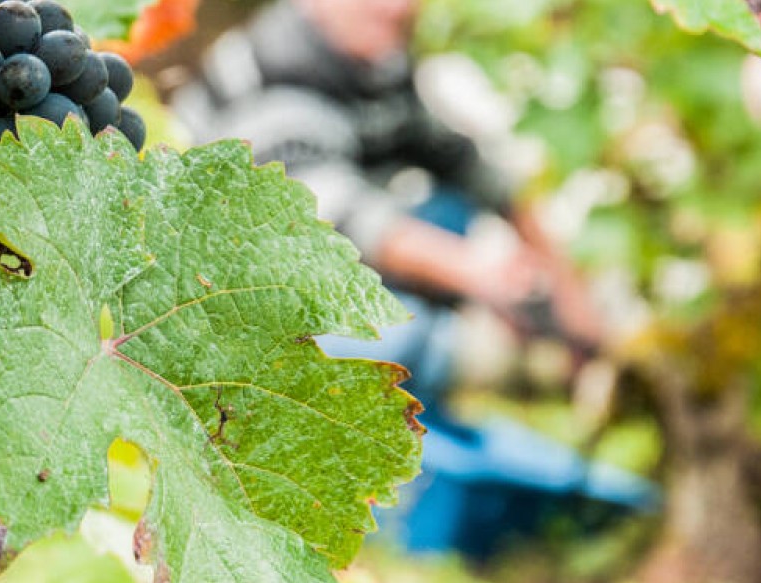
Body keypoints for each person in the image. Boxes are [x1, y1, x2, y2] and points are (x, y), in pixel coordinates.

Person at [170, 0, 646, 559]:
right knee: (402, 339)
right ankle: (379, 480)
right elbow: (340, 221)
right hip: (236, 314)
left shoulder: (375, 62)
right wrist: (484, 279)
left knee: (444, 213)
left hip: (322, 273)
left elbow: (472, 166)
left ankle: (428, 419)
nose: (399, 9)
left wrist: (570, 292)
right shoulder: (278, 78)